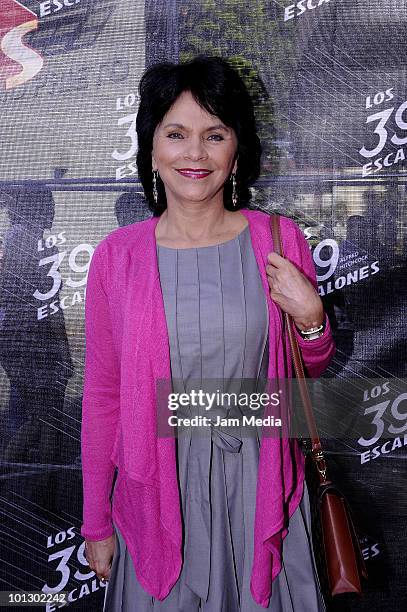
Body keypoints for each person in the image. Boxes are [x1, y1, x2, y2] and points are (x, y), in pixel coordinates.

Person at [81, 56, 336, 611]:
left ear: (235, 149)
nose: (194, 153)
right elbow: (103, 397)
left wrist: (312, 318)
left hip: (259, 486)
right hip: (154, 489)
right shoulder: (117, 258)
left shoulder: (278, 239)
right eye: (176, 134)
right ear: (152, 147)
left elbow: (304, 378)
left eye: (213, 135)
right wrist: (96, 520)